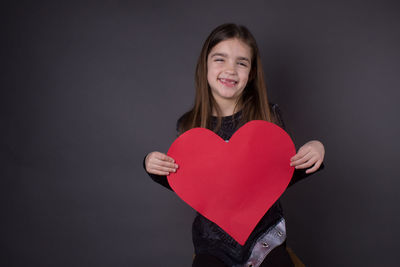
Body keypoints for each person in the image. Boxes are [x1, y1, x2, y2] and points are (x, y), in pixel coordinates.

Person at [143, 23, 325, 267]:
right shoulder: (189, 126)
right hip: (212, 246)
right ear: (204, 66)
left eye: (241, 62)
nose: (230, 69)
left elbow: (283, 173)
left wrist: (315, 150)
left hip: (266, 240)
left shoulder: (268, 117)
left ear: (251, 73)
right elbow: (185, 183)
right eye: (220, 59)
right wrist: (151, 164)